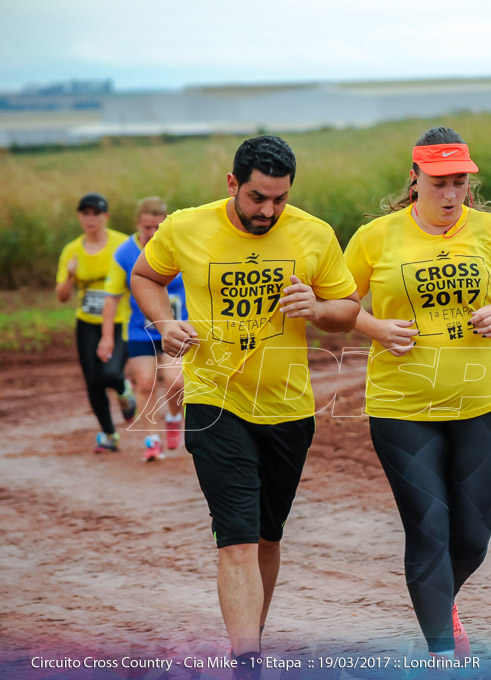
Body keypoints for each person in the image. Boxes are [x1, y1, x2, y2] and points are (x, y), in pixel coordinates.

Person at [130, 135, 360, 675]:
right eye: (258, 198)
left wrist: (319, 308)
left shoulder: (314, 233)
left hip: (287, 407)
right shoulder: (187, 226)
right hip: (214, 400)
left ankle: (251, 638)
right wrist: (164, 322)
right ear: (233, 183)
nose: (269, 211)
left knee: (266, 535)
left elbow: (349, 309)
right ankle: (246, 660)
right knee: (235, 537)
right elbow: (146, 276)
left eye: (279, 199)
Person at [345, 126, 491, 660]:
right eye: (439, 183)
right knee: (429, 528)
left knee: (473, 540)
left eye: (459, 182)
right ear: (415, 179)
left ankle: (439, 601)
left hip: (477, 403)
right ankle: (443, 655)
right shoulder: (377, 237)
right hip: (401, 407)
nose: (452, 194)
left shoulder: (490, 231)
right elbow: (336, 304)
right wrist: (375, 328)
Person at [98, 196, 187, 462]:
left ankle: (173, 416)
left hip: (176, 329)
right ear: (137, 224)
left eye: (158, 227)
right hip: (140, 331)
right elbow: (111, 298)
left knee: (175, 381)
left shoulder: (180, 247)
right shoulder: (125, 253)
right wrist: (106, 337)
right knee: (145, 384)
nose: (152, 233)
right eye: (147, 227)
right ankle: (152, 439)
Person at [55, 192, 137, 452]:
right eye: (85, 214)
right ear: (80, 216)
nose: (90, 219)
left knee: (110, 374)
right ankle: (109, 435)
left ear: (106, 216)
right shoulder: (72, 250)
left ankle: (123, 387)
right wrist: (69, 275)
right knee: (92, 381)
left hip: (120, 320)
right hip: (87, 322)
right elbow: (62, 296)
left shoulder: (123, 245)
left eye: (96, 214)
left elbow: (141, 280)